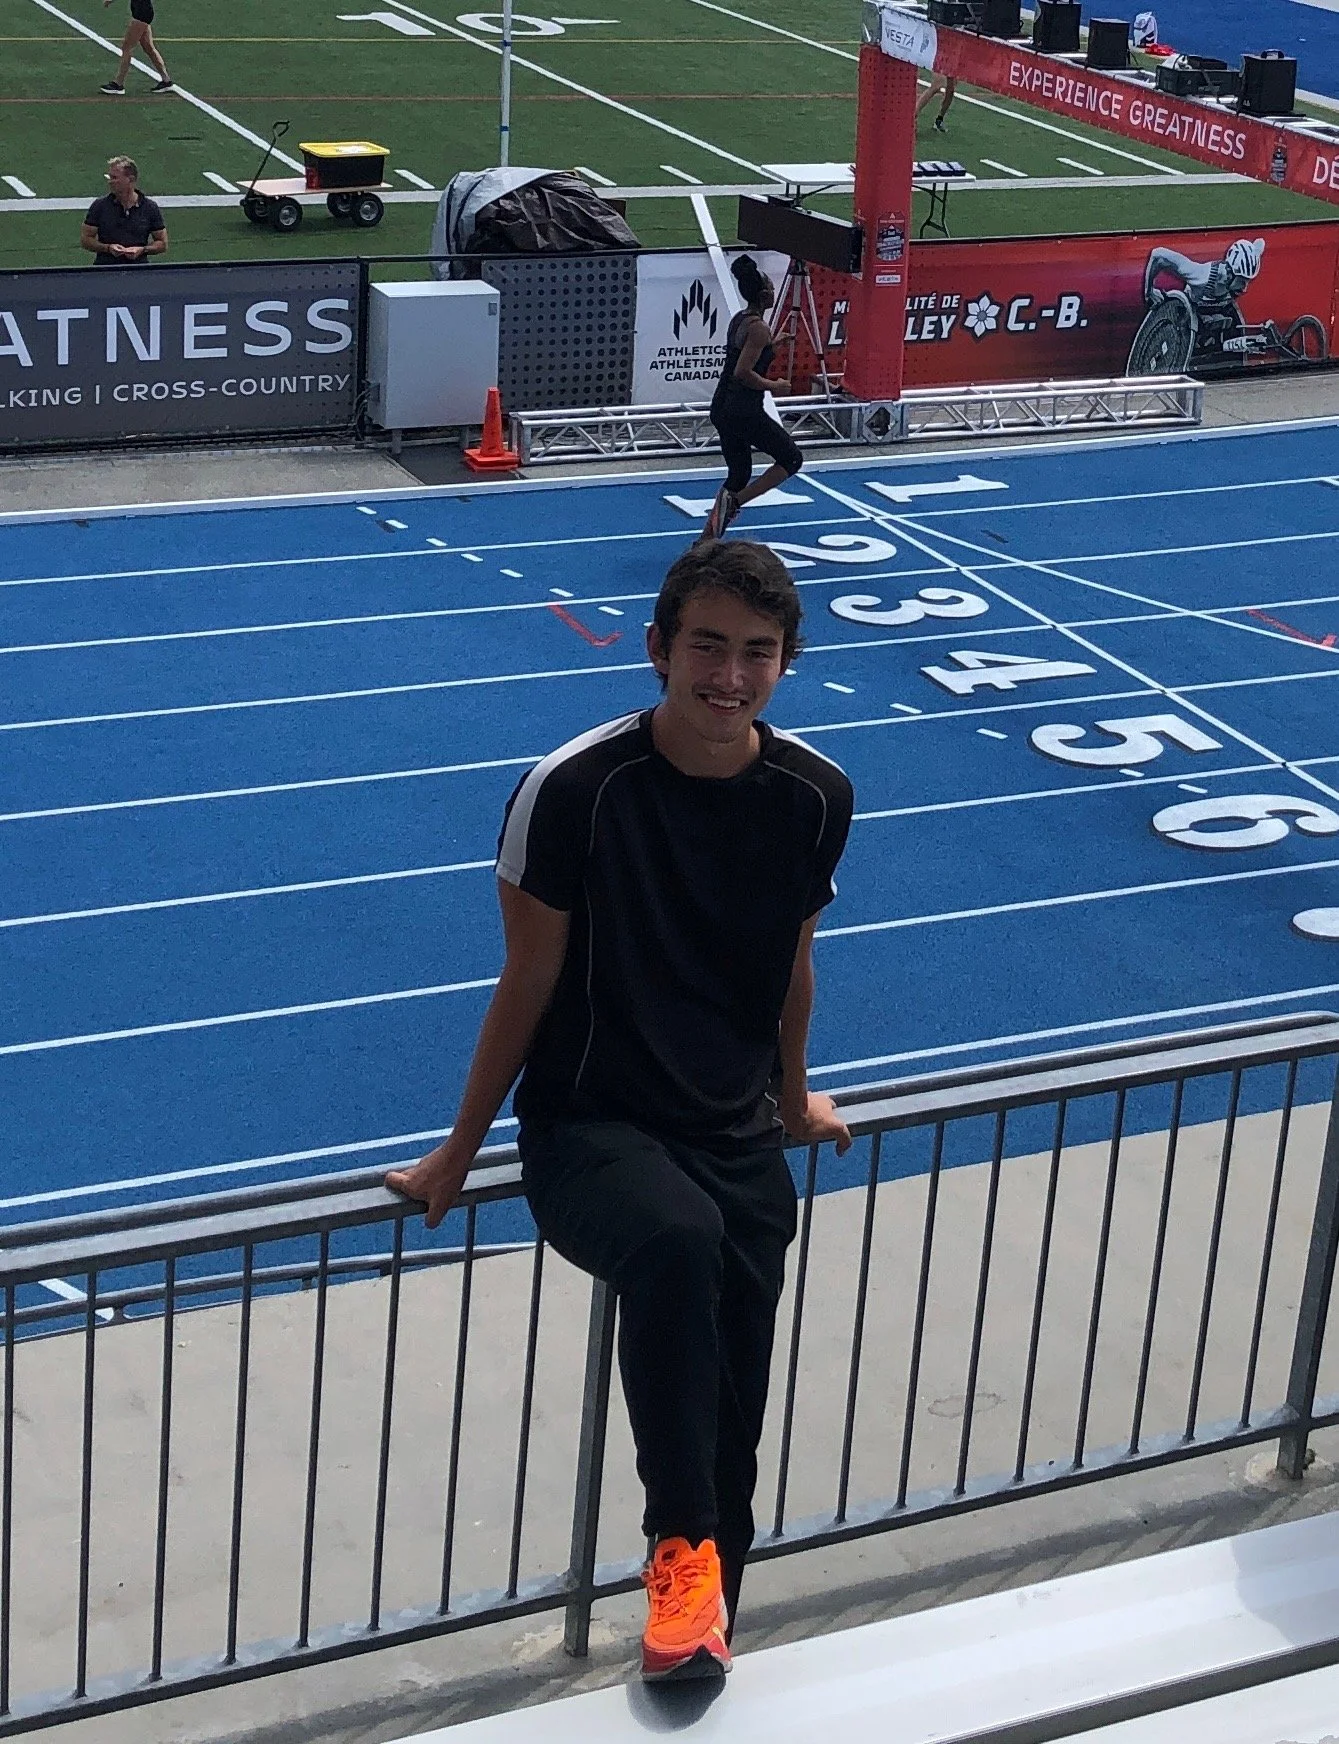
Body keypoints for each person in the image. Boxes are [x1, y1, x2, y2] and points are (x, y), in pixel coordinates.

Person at [387, 539, 854, 1683]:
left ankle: (698, 1627)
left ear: (786, 664)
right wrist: (460, 1148)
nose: (729, 676)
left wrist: (792, 1098)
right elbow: (528, 979)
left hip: (733, 1127)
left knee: (731, 1406)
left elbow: (794, 964)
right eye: (707, 646)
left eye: (756, 654)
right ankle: (676, 1554)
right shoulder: (576, 790)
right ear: (658, 649)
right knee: (674, 1243)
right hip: (592, 1127)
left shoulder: (814, 796)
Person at [700, 255, 804, 542]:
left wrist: (774, 343)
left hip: (722, 407)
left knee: (739, 473)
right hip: (742, 410)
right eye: (771, 287)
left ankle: (707, 540)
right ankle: (735, 503)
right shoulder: (759, 328)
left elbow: (743, 349)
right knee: (791, 458)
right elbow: (743, 372)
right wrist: (775, 385)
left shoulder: (742, 320)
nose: (774, 288)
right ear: (764, 296)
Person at [81, 156, 168, 264]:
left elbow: (162, 243)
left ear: (130, 179)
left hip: (138, 271)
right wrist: (108, 248)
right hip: (105, 270)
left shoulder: (149, 207)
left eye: (114, 178)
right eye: (110, 177)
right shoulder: (99, 206)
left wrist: (142, 250)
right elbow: (86, 239)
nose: (110, 182)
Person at [99, 0, 173, 94]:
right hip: (141, 11)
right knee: (148, 47)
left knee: (127, 47)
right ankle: (166, 81)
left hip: (141, 14)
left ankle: (118, 84)